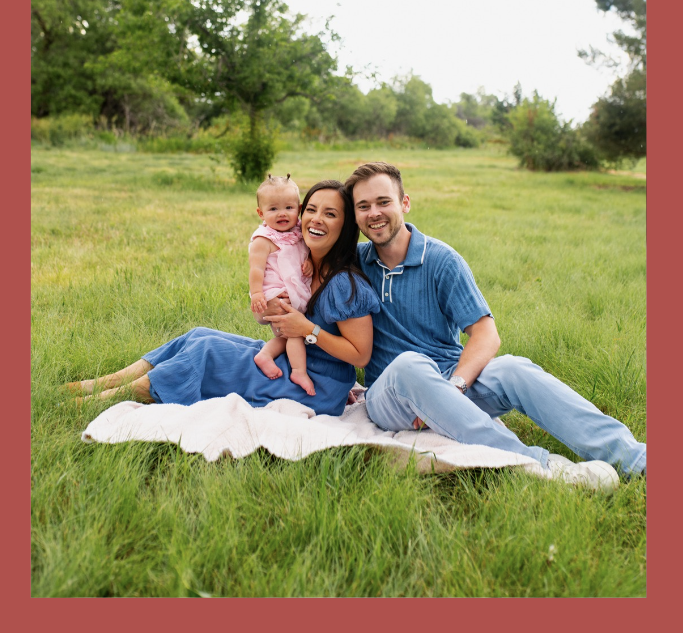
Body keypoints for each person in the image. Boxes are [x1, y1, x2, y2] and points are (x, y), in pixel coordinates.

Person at [343, 162, 647, 490]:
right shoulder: (353, 262)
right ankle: (541, 466)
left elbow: (485, 333)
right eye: (363, 206)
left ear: (404, 203)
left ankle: (635, 459)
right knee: (409, 365)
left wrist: (454, 387)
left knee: (515, 368)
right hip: (392, 396)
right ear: (356, 216)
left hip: (449, 381)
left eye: (383, 202)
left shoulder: (441, 261)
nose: (374, 212)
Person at [65, 181, 380, 417]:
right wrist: (269, 311)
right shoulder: (301, 263)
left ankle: (111, 398)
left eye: (330, 213)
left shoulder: (343, 283)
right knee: (199, 335)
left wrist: (306, 329)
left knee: (207, 351)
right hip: (291, 359)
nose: (316, 219)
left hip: (316, 384)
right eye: (310, 209)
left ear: (346, 224)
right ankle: (108, 381)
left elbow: (360, 355)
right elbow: (270, 318)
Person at [249, 173, 315, 396]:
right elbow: (256, 269)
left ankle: (265, 355)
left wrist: (310, 264)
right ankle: (299, 371)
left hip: (294, 289)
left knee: (286, 335)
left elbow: (303, 254)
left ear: (299, 208)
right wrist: (257, 293)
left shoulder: (298, 232)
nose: (282, 214)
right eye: (273, 209)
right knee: (294, 333)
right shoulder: (263, 240)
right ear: (261, 213)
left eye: (288, 207)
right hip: (276, 293)